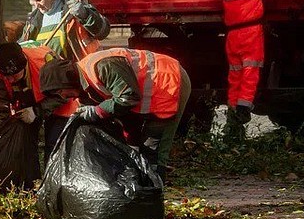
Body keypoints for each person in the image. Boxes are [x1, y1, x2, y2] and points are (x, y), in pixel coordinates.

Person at [39, 48, 191, 181]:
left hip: (168, 83)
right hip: (152, 92)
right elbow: (123, 113)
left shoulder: (103, 67)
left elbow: (128, 98)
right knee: (138, 151)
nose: (64, 98)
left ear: (67, 80)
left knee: (153, 153)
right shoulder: (86, 86)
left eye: (60, 92)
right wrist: (131, 143)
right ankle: (143, 193)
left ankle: (153, 201)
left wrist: (97, 111)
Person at [0, 42, 78, 189]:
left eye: (14, 75)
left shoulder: (45, 62)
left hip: (60, 102)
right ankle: (31, 182)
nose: (10, 80)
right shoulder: (0, 70)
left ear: (24, 66)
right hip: (29, 99)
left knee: (53, 144)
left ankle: (53, 187)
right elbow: (0, 101)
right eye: (7, 77)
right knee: (25, 142)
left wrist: (37, 111)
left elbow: (66, 92)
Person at [219, 0, 276, 130]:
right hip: (251, 30)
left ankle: (233, 117)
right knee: (251, 70)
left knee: (235, 74)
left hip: (232, 34)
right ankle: (244, 108)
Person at [19, 0, 110, 60]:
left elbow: (103, 31)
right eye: (32, 1)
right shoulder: (32, 21)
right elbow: (23, 47)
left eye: (39, 0)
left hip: (76, 71)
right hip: (45, 73)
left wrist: (85, 15)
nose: (36, 5)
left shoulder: (74, 10)